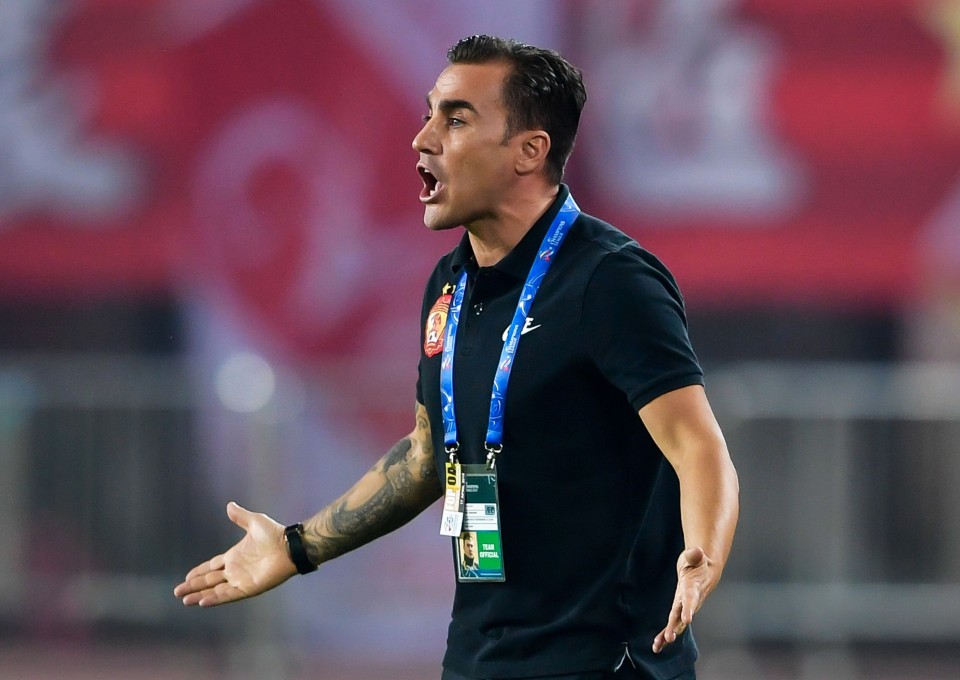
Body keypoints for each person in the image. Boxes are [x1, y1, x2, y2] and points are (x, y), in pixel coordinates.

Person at [174, 35, 739, 680]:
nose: (423, 139)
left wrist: (704, 553)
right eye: (428, 113)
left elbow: (696, 443)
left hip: (606, 663)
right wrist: (297, 548)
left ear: (531, 150)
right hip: (480, 661)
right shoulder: (450, 284)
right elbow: (426, 454)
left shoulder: (611, 281)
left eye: (456, 118)